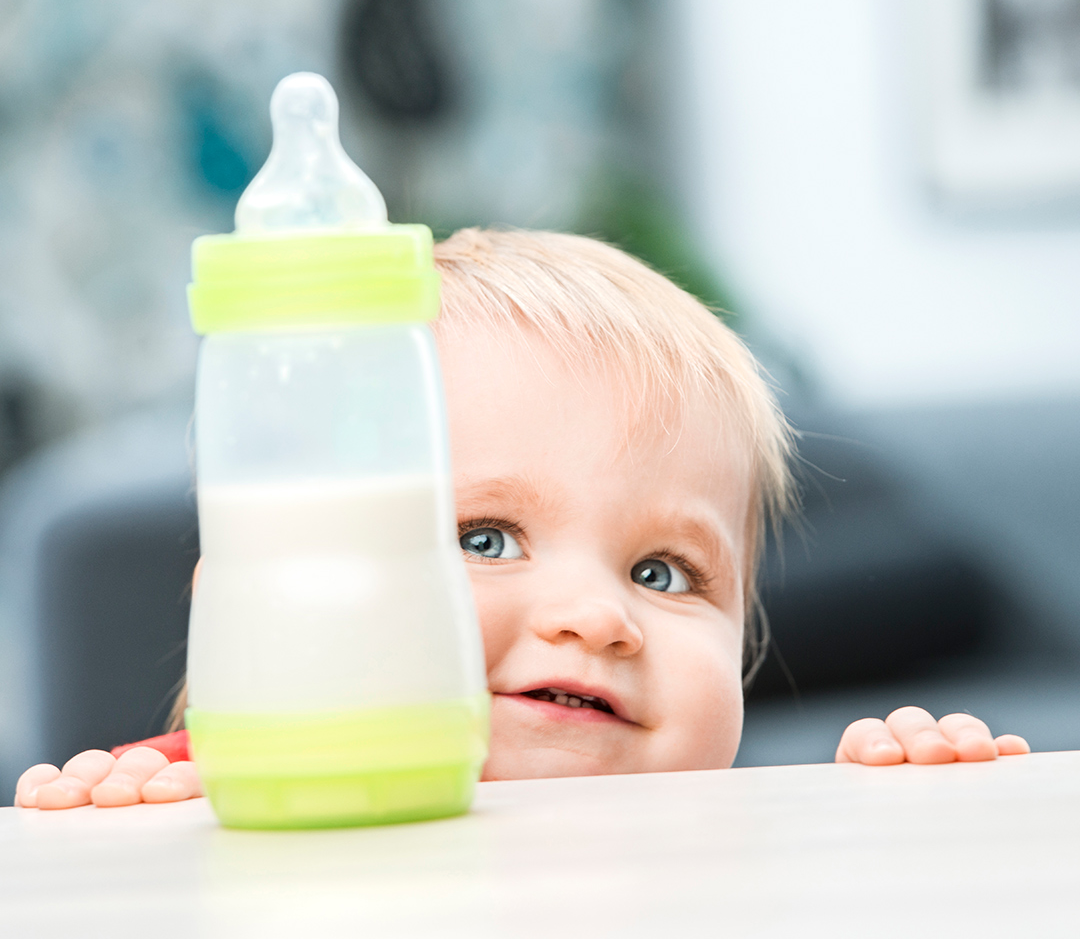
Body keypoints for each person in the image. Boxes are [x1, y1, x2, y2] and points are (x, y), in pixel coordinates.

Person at [13, 229, 1029, 809]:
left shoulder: (722, 831)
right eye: (484, 539)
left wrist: (902, 836)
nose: (597, 618)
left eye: (665, 573)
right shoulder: (196, 805)